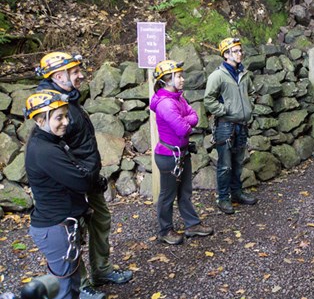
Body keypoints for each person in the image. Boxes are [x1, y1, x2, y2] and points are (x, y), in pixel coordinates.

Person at [36, 52, 132, 299]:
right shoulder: (51, 107)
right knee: (74, 232)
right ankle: (83, 284)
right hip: (73, 183)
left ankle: (101, 270)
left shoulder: (70, 99)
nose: (81, 75)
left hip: (88, 178)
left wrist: (92, 176)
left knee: (101, 220)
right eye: (75, 71)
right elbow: (58, 152)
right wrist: (82, 178)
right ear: (59, 76)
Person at [24, 91, 99, 299]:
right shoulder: (44, 151)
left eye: (66, 116)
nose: (66, 122)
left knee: (71, 284)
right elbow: (81, 180)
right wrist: (89, 174)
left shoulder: (51, 143)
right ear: (40, 120)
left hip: (59, 225)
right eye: (59, 117)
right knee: (64, 289)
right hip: (55, 227)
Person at [150, 60, 214, 244]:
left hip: (181, 153)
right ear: (166, 80)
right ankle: (165, 230)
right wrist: (188, 119)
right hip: (168, 156)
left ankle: (192, 224)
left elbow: (195, 117)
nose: (182, 79)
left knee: (185, 191)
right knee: (167, 194)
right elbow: (183, 129)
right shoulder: (165, 104)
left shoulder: (178, 97)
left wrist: (187, 119)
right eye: (178, 76)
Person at [204, 37, 258, 215]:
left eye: (240, 50)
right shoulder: (217, 76)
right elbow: (208, 100)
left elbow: (251, 91)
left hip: (242, 124)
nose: (240, 53)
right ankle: (223, 198)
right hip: (225, 126)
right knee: (225, 164)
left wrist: (249, 108)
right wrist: (225, 109)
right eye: (235, 51)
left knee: (238, 162)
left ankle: (236, 193)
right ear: (226, 54)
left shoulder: (244, 73)